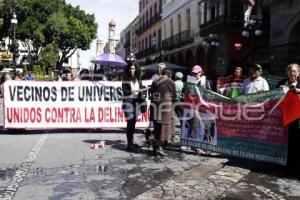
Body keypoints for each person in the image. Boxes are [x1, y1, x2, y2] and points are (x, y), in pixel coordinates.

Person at [276, 63, 300, 170]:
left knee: (294, 142)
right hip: (281, 118)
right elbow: (272, 97)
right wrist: (278, 91)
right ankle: (280, 162)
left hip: (296, 119)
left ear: (298, 73)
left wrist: (298, 91)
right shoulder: (281, 83)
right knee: (281, 140)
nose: (292, 73)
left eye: (294, 71)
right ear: (287, 72)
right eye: (290, 71)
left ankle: (292, 165)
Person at [150, 63, 176, 156]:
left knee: (156, 128)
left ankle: (155, 147)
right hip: (165, 109)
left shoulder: (154, 81)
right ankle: (159, 147)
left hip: (155, 107)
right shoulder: (170, 82)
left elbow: (151, 93)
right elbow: (175, 95)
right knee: (163, 129)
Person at [122, 62, 146, 151]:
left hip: (136, 102)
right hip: (128, 102)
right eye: (130, 68)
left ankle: (131, 141)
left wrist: (142, 90)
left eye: (133, 68)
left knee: (134, 122)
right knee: (130, 122)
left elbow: (141, 88)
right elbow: (125, 92)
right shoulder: (125, 78)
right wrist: (135, 90)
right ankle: (129, 142)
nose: (132, 70)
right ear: (128, 69)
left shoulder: (138, 79)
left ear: (136, 69)